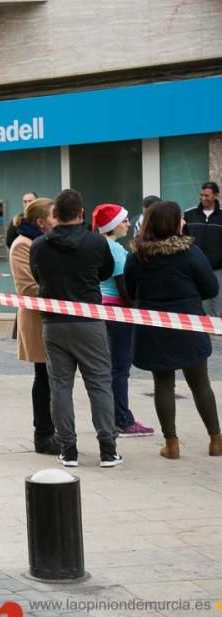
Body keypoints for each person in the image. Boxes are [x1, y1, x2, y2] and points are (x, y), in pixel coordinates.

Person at [30, 189, 122, 468]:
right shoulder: (96, 243)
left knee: (60, 386)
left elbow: (37, 275)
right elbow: (105, 272)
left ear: (55, 215)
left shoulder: (39, 245)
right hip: (89, 320)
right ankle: (108, 449)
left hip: (54, 322)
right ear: (81, 214)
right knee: (99, 384)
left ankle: (68, 449)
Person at [124, 201, 221, 459]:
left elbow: (131, 291)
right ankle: (216, 439)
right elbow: (211, 288)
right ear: (172, 223)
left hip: (154, 327)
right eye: (180, 219)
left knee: (163, 383)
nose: (184, 222)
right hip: (189, 325)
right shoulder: (191, 252)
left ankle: (172, 444)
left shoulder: (137, 255)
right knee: (200, 383)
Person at [91, 204, 154, 439]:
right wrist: (138, 311)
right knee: (119, 368)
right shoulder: (116, 250)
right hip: (117, 313)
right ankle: (123, 420)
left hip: (101, 309)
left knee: (107, 369)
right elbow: (124, 288)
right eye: (124, 220)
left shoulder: (96, 245)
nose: (129, 223)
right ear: (112, 225)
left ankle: (110, 417)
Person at [9, 197, 59, 454]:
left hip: (56, 318)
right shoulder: (22, 245)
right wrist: (62, 292)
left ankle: (54, 429)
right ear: (40, 222)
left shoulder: (49, 241)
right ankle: (43, 434)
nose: (57, 220)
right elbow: (27, 287)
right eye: (53, 216)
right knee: (43, 377)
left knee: (54, 378)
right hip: (38, 318)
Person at [182, 181, 222, 316]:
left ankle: (218, 332)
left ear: (216, 195)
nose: (203, 198)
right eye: (201, 195)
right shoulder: (189, 214)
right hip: (194, 266)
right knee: (194, 298)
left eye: (207, 195)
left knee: (218, 301)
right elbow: (183, 238)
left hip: (218, 267)